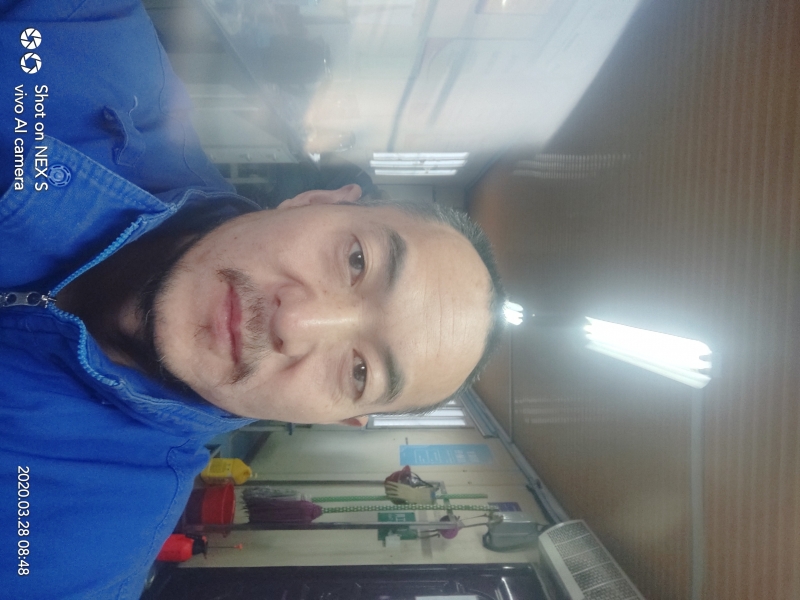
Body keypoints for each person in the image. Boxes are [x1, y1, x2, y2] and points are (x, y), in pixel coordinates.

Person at [0, 1, 504, 598]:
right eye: (357, 260)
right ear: (316, 201)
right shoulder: (80, 39)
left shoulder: (72, 561)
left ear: (336, 418)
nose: (299, 321)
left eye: (360, 371)